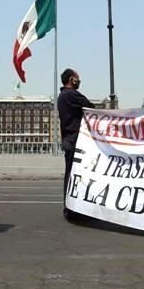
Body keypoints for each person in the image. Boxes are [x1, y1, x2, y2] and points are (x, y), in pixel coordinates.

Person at [57, 68, 95, 199]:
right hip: (75, 140)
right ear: (71, 79)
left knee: (70, 173)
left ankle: (69, 204)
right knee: (76, 174)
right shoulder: (72, 94)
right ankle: (72, 206)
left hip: (67, 139)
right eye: (77, 78)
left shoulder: (61, 96)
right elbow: (90, 106)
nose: (79, 81)